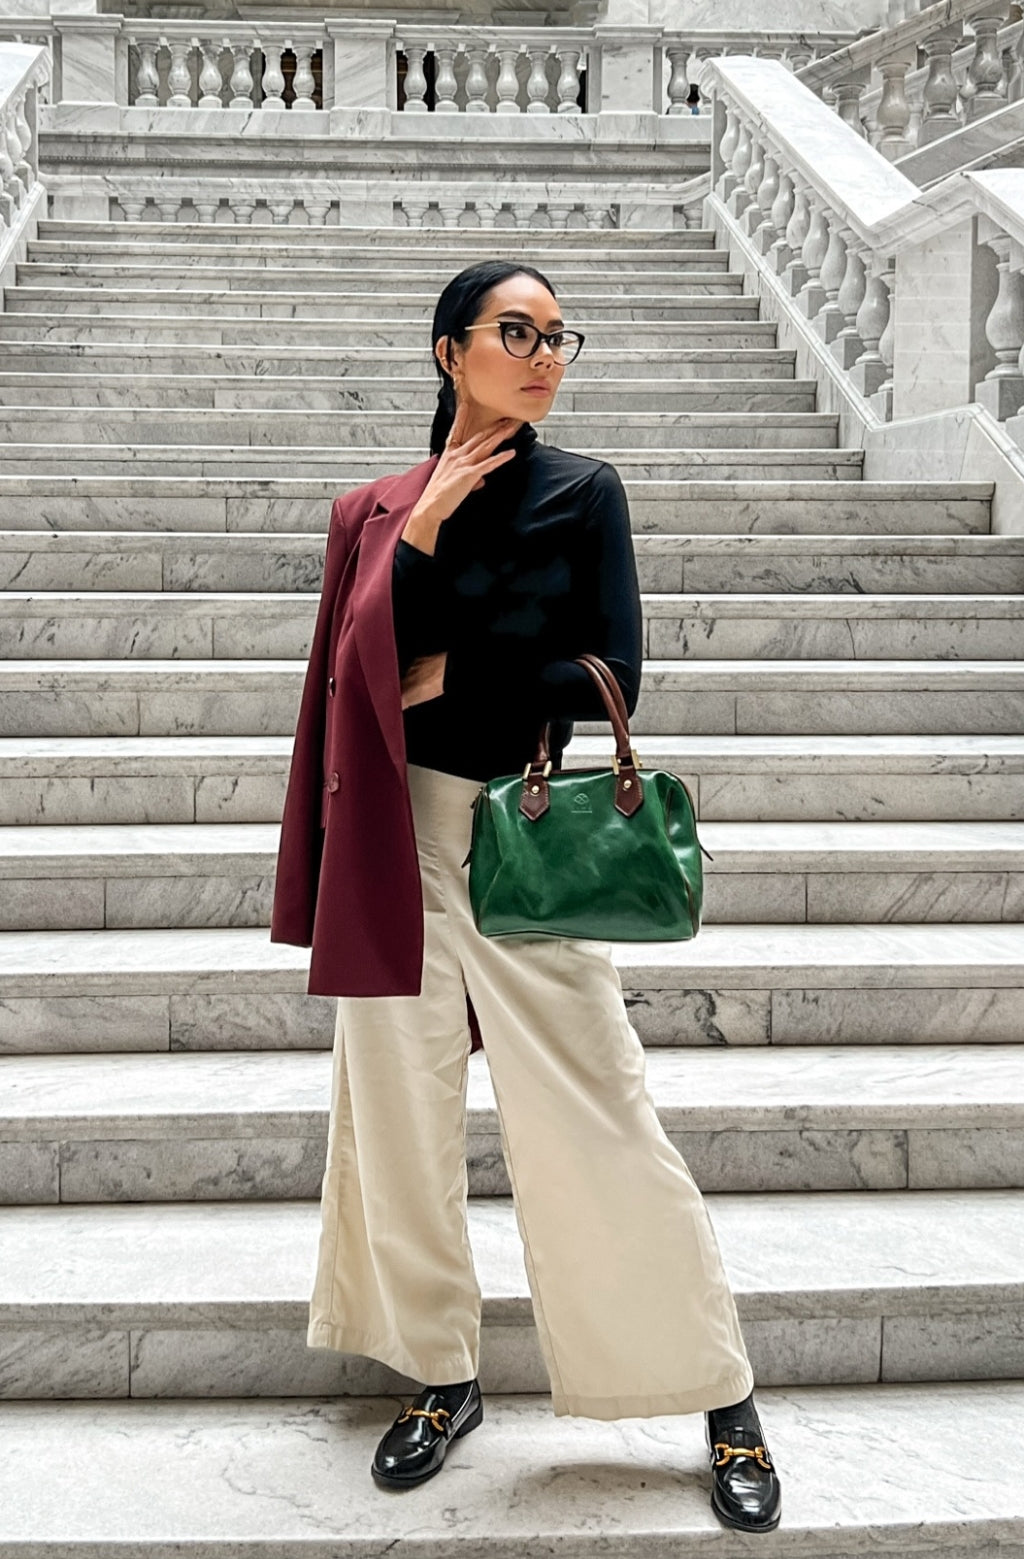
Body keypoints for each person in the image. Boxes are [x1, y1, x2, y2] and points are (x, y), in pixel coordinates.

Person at [270, 258, 781, 1534]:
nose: (547, 355)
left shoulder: (581, 491)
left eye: (560, 336)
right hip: (394, 834)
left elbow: (610, 673)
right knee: (395, 1118)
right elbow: (353, 673)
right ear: (451, 350)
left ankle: (717, 1391)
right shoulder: (374, 509)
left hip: (525, 828)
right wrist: (425, 534)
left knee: (599, 1109)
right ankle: (440, 1374)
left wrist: (458, 669)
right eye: (519, 331)